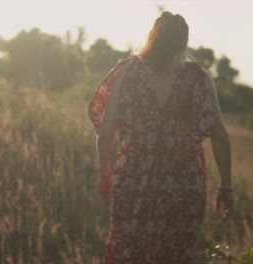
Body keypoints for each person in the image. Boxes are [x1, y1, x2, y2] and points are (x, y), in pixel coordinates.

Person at [88, 11, 233, 264]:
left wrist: (105, 173)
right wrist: (226, 185)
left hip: (134, 176)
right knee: (174, 251)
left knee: (129, 248)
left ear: (152, 38)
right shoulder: (198, 77)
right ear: (183, 44)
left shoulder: (127, 72)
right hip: (184, 180)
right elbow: (219, 134)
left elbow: (106, 130)